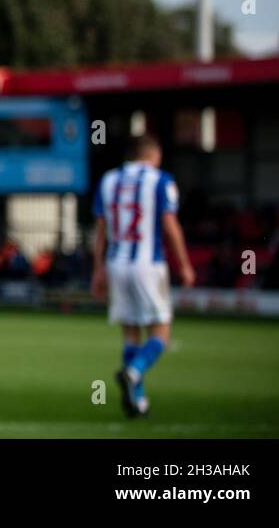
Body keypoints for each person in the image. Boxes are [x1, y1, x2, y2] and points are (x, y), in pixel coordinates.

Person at [90, 134, 195, 418]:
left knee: (130, 332)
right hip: (148, 264)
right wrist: (184, 264)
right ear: (152, 154)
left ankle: (138, 401)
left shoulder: (108, 180)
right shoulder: (160, 180)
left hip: (116, 263)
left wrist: (97, 268)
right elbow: (169, 224)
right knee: (161, 331)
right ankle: (134, 372)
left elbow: (100, 228)